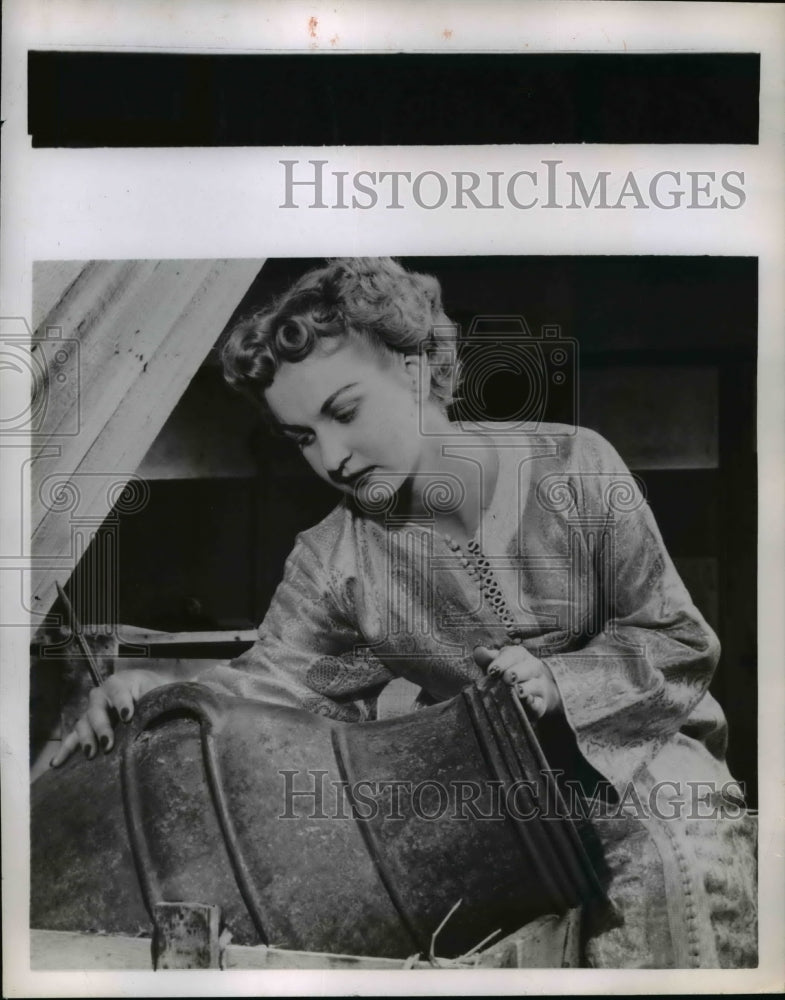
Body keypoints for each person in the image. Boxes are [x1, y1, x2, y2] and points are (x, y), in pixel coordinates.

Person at [51, 257, 756, 968]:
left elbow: (678, 639)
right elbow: (271, 689)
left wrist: (557, 682)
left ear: (418, 372)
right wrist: (152, 692)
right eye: (302, 437)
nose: (331, 458)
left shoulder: (575, 466)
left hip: (641, 751)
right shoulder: (332, 558)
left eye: (344, 412)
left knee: (680, 862)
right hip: (481, 788)